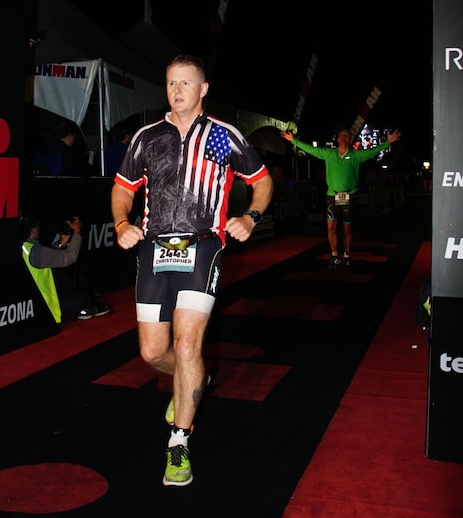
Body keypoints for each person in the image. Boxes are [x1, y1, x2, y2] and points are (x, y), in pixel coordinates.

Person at [111, 54, 273, 487]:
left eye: (186, 83)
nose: (177, 90)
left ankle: (178, 442)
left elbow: (261, 180)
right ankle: (191, 380)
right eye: (170, 83)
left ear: (203, 90)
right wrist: (122, 222)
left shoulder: (223, 136)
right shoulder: (147, 137)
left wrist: (251, 217)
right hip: (153, 251)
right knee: (152, 353)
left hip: (204, 247)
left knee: (186, 347)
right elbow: (122, 190)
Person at [280, 126, 401, 268]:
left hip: (349, 196)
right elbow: (311, 149)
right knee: (331, 228)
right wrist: (294, 140)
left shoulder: (356, 155)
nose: (344, 137)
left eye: (347, 136)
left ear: (350, 140)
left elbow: (372, 151)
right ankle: (334, 255)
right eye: (341, 135)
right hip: (332, 196)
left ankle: (347, 255)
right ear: (337, 139)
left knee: (347, 229)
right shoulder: (328, 153)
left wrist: (387, 143)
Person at [21, 213, 110, 321]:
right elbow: (70, 257)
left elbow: (50, 258)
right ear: (34, 231)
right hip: (49, 311)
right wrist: (77, 233)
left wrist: (61, 243)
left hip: (36, 305)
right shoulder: (36, 252)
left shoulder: (26, 248)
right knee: (85, 298)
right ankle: (81, 309)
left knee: (61, 276)